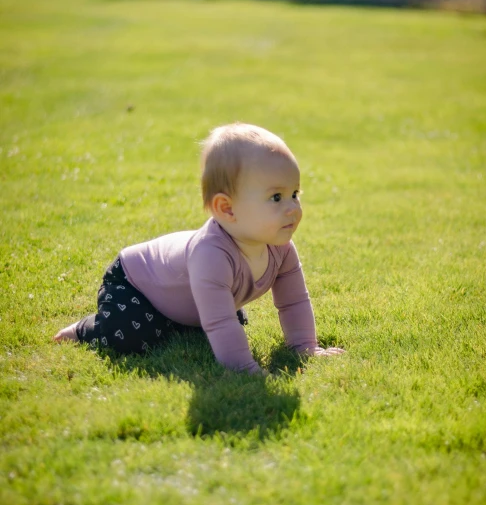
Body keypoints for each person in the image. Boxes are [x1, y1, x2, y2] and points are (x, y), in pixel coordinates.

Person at [54, 123, 344, 374]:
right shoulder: (211, 255)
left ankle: (181, 322)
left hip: (185, 301)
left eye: (295, 193)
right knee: (134, 336)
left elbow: (294, 302)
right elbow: (219, 322)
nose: (293, 207)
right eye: (276, 197)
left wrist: (305, 347)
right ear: (227, 209)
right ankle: (87, 330)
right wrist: (244, 368)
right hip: (134, 286)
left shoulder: (281, 250)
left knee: (213, 325)